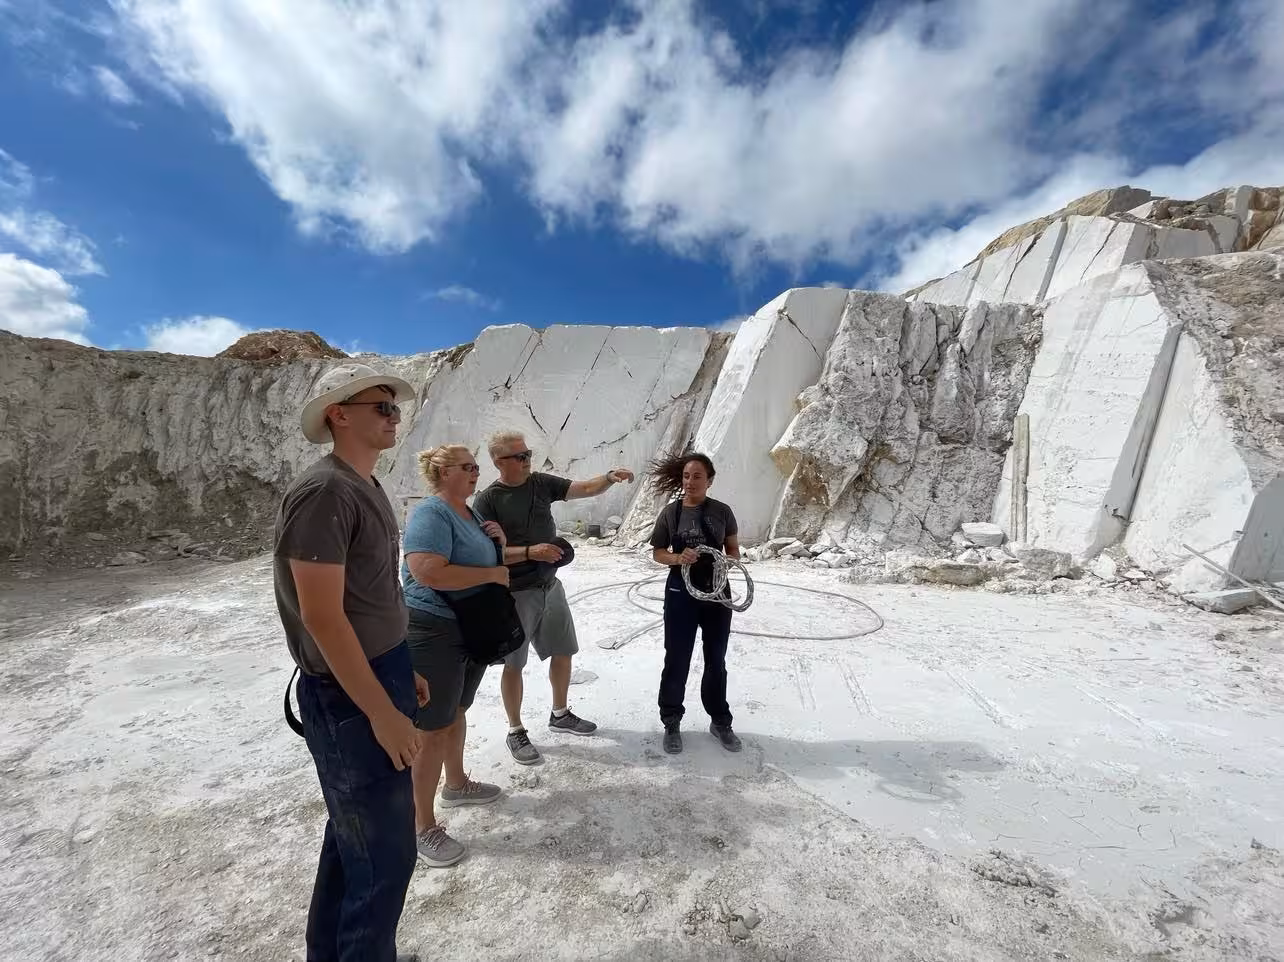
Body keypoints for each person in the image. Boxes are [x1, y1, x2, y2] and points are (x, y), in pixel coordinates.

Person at [273, 362, 429, 962]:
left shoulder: (363, 486)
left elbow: (371, 597)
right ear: (340, 414)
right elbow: (323, 616)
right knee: (385, 854)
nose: (394, 417)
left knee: (354, 839)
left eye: (395, 408)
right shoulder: (326, 491)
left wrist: (400, 667)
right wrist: (381, 713)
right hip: (348, 695)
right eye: (382, 407)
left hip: (375, 675)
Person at [472, 430, 634, 764]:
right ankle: (515, 731)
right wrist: (533, 552)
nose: (527, 459)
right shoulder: (488, 500)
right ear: (498, 462)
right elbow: (489, 554)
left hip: (550, 586)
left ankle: (560, 713)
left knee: (563, 652)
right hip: (515, 594)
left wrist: (609, 477)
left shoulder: (541, 483)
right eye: (519, 456)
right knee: (514, 665)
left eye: (528, 453)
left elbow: (584, 488)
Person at [400, 444, 508, 867]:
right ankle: (421, 827)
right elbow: (425, 570)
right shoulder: (432, 513)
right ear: (442, 471)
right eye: (467, 467)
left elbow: (479, 562)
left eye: (477, 467)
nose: (476, 472)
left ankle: (457, 785)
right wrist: (491, 573)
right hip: (434, 626)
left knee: (455, 712)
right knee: (432, 727)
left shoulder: (470, 512)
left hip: (469, 628)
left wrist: (498, 543)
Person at [647, 451, 743, 755]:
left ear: (709, 480)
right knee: (677, 659)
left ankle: (720, 721)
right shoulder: (671, 514)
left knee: (717, 660)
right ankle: (672, 722)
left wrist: (726, 562)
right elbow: (658, 552)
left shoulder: (723, 512)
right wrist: (679, 558)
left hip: (717, 593)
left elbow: (733, 551)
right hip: (680, 592)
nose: (690, 482)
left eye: (697, 476)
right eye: (686, 476)